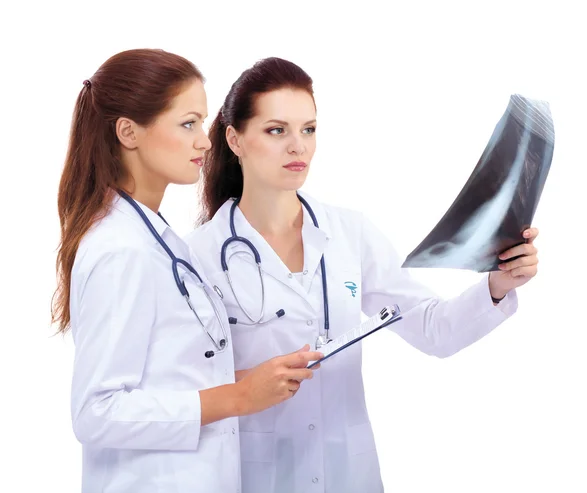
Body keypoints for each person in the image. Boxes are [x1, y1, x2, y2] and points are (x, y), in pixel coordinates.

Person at [185, 57, 540, 493]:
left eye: (309, 129)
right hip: (255, 475)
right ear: (235, 139)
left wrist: (499, 284)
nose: (298, 146)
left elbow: (433, 330)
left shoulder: (350, 234)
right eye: (277, 130)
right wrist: (249, 382)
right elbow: (185, 385)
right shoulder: (199, 257)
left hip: (347, 474)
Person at [51, 49, 322, 493]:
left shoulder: (156, 238)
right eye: (188, 123)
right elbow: (96, 412)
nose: (205, 141)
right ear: (128, 133)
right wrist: (236, 397)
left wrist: (252, 381)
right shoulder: (121, 249)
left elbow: (167, 376)